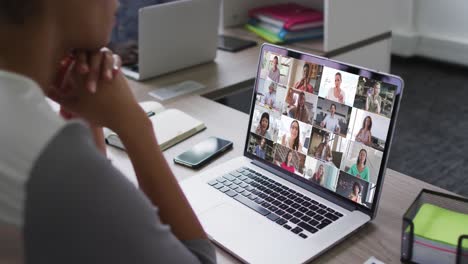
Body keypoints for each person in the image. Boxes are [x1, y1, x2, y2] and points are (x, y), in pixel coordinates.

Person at [0, 1, 215, 263]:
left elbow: (90, 229)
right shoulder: (47, 156)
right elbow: (198, 259)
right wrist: (134, 125)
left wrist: (83, 115)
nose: (118, 2)